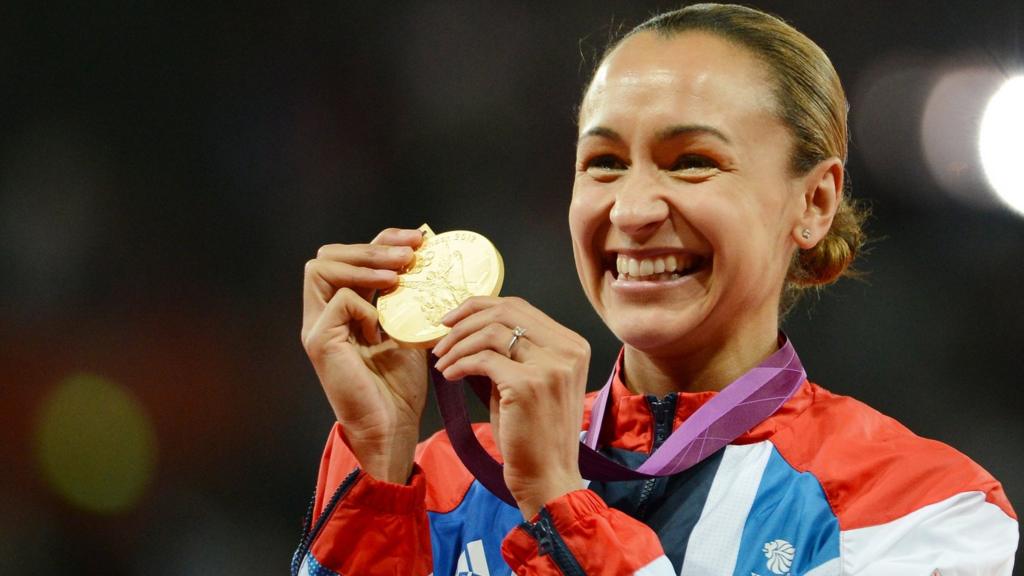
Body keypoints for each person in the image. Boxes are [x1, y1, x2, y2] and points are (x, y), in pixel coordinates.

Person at [292, 4, 1018, 575]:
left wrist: (559, 506)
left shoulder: (925, 509)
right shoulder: (445, 484)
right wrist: (378, 462)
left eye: (693, 161)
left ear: (814, 203)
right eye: (604, 163)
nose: (632, 211)